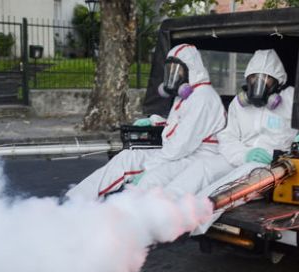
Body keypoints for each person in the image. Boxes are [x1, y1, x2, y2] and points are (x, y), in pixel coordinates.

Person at [160, 49, 299, 233]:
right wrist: (244, 154)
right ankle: (162, 205)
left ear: (277, 81)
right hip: (242, 155)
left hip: (272, 164)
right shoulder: (239, 104)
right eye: (253, 78)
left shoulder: (293, 99)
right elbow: (227, 137)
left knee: (237, 178)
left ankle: (190, 217)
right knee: (203, 166)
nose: (258, 84)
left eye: (265, 78)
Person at [65, 44, 226, 201]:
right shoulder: (186, 95)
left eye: (177, 70)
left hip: (197, 157)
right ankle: (75, 199)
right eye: (169, 70)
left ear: (191, 69)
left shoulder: (203, 97)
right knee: (127, 158)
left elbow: (180, 145)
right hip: (177, 152)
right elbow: (179, 125)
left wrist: (148, 168)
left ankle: (117, 219)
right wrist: (154, 121)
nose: (172, 75)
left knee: (151, 179)